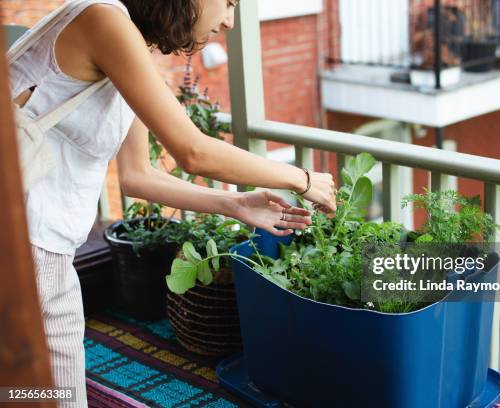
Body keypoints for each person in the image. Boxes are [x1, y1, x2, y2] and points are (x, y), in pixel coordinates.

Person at [8, 0, 337, 406]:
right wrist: (302, 179)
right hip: (20, 245)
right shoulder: (104, 21)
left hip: (46, 249)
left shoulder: (131, 43)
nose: (230, 21)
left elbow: (138, 175)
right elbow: (193, 151)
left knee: (40, 391)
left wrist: (236, 204)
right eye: (230, 3)